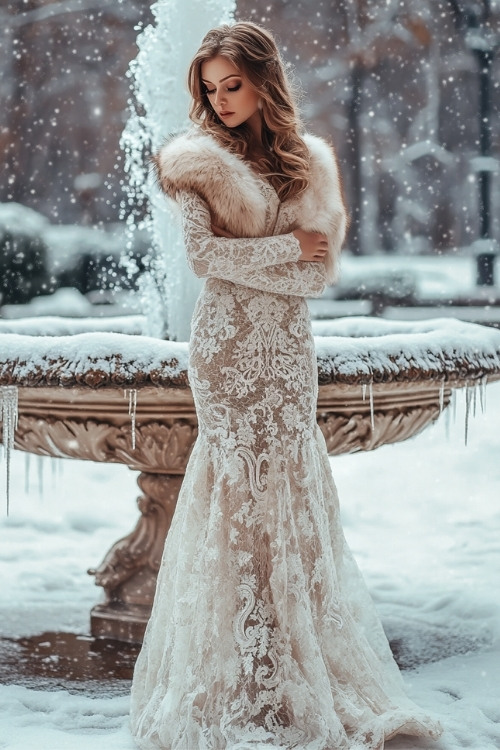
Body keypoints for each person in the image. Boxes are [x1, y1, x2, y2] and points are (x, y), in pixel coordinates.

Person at [130, 21, 442, 750]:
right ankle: (237, 670)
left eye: (232, 84)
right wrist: (281, 248)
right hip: (227, 348)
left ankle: (301, 659)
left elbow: (314, 273)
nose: (221, 100)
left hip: (286, 348)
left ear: (264, 81)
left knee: (292, 495)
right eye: (210, 89)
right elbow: (207, 259)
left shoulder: (309, 164)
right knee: (235, 498)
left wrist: (279, 257)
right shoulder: (194, 164)